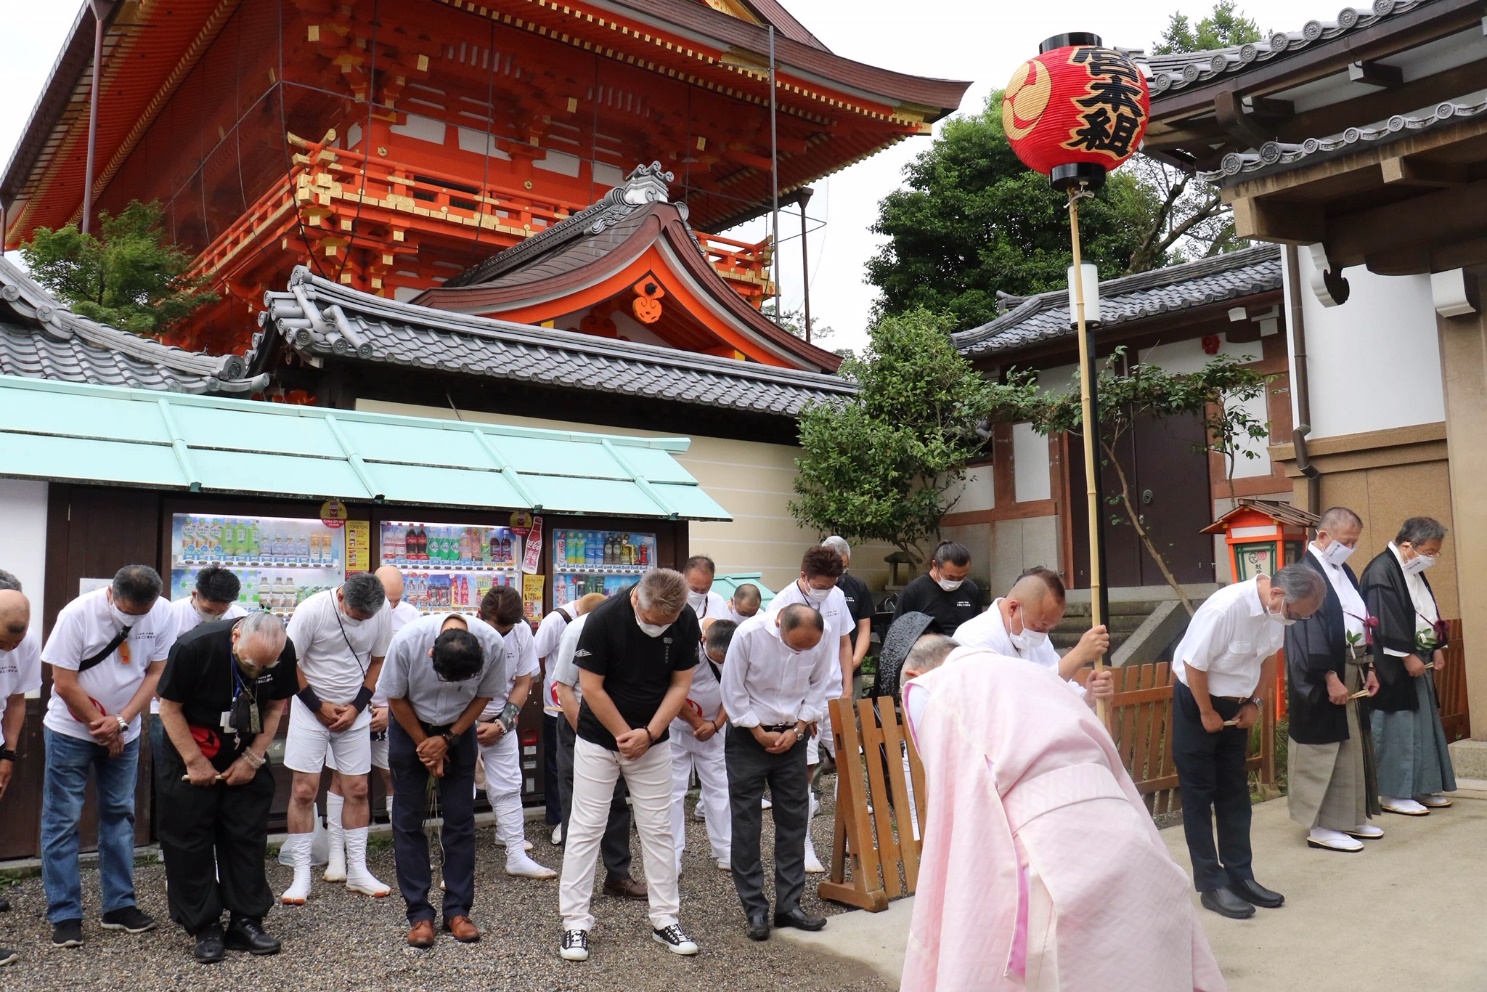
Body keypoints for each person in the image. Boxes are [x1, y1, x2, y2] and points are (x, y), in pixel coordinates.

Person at [901, 645, 1225, 992]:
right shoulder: (1035, 675)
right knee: (1145, 964)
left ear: (913, 675)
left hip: (1048, 848)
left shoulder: (932, 689)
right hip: (1125, 829)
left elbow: (960, 805)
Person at [557, 569, 701, 962]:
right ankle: (574, 923)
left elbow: (680, 684)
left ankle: (665, 918)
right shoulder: (603, 619)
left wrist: (650, 734)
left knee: (658, 828)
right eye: (654, 622)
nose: (659, 629)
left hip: (652, 740)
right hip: (599, 738)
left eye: (666, 624)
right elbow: (591, 688)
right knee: (586, 828)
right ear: (638, 599)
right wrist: (626, 735)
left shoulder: (684, 618)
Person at [1172, 564, 1325, 919]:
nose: (1296, 622)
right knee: (1199, 793)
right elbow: (1193, 664)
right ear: (1277, 595)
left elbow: (1270, 658)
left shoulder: (1278, 613)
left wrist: (1256, 702)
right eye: (1296, 615)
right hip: (1198, 700)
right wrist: (1207, 712)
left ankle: (1240, 875)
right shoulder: (1226, 608)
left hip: (1238, 704)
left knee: (1235, 794)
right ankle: (1211, 883)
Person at [41, 565, 178, 948]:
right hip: (71, 729)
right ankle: (65, 912)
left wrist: (122, 721)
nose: (136, 618)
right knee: (62, 818)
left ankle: (119, 905)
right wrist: (101, 725)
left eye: (143, 612)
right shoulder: (77, 614)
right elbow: (63, 682)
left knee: (120, 814)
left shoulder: (163, 613)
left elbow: (155, 673)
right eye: (128, 612)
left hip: (126, 728)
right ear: (111, 594)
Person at [155, 612, 295, 963]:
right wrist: (194, 760)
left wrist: (253, 757)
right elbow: (169, 708)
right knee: (189, 842)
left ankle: (246, 921)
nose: (257, 671)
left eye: (266, 666)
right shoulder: (193, 647)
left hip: (243, 750)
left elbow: (277, 703)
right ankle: (203, 925)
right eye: (250, 663)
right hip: (191, 748)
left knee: (246, 837)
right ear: (235, 636)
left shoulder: (282, 649)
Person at [378, 612, 506, 948]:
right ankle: (419, 913)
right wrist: (426, 744)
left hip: (459, 728)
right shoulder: (407, 641)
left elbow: (484, 696)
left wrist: (448, 739)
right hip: (411, 725)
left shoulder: (491, 642)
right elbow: (394, 696)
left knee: (460, 819)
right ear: (432, 654)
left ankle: (458, 910)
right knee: (407, 821)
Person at [721, 604, 834, 941]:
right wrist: (757, 731)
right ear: (779, 621)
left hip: (793, 737)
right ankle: (754, 907)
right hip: (748, 736)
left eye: (807, 647)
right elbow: (732, 689)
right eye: (796, 645)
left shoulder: (822, 636)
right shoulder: (748, 635)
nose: (802, 651)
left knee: (794, 820)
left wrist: (798, 729)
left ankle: (789, 905)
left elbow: (819, 685)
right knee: (746, 823)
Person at [281, 573, 392, 904]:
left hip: (353, 710)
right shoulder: (312, 611)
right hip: (310, 708)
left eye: (367, 618)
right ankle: (301, 875)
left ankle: (357, 870)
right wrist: (318, 706)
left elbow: (378, 658)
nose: (362, 623)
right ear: (342, 597)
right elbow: (290, 661)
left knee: (358, 788)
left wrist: (358, 706)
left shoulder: (381, 610)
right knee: (303, 790)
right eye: (357, 617)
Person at [1286, 507, 1383, 851]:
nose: (1350, 548)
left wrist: (1369, 667)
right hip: (1321, 671)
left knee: (1353, 745)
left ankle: (1349, 817)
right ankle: (1322, 825)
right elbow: (1304, 629)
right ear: (1323, 536)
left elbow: (1362, 619)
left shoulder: (1344, 570)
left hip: (1353, 665)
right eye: (1346, 541)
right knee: (1325, 748)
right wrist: (1328, 675)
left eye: (1355, 543)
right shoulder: (1301, 572)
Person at [765, 546, 854, 873]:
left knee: (849, 763)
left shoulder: (837, 596)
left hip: (833, 694)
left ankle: (854, 839)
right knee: (805, 770)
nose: (825, 591)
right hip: (800, 703)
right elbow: (776, 659)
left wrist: (847, 686)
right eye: (819, 585)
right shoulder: (781, 604)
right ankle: (802, 844)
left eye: (831, 584)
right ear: (804, 576)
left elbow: (844, 642)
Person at [552, 594, 646, 902]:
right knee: (576, 800)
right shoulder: (579, 628)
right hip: (578, 719)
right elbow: (563, 687)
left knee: (617, 800)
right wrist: (582, 730)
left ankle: (618, 875)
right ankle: (576, 883)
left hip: (616, 723)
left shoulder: (641, 629)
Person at [1361, 516, 1457, 816]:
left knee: (1422, 725)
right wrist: (1406, 655)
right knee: (1397, 727)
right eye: (1429, 551)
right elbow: (1383, 619)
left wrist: (1437, 646)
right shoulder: (1382, 570)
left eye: (1435, 552)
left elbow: (1427, 607)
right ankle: (1392, 792)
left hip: (1419, 655)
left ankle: (1420, 787)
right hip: (1392, 664)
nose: (1432, 558)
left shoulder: (1410, 567)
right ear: (1407, 546)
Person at [324, 565, 413, 883]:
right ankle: (338, 857)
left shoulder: (411, 617)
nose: (389, 607)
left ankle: (402, 850)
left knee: (394, 776)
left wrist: (390, 710)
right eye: (386, 599)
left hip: (392, 709)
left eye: (396, 600)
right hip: (351, 707)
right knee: (341, 781)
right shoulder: (347, 613)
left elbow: (412, 670)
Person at [476, 585, 555, 878]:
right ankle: (456, 863)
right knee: (460, 789)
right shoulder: (464, 631)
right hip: (461, 722)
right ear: (479, 615)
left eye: (506, 630)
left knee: (509, 785)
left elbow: (524, 683)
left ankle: (515, 854)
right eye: (496, 629)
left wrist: (503, 722)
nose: (501, 635)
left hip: (501, 719)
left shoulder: (521, 631)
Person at [953, 567, 1116, 709]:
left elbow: (1063, 689)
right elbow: (1015, 697)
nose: (1043, 634)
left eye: (1049, 629)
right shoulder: (973, 638)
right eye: (1041, 626)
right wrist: (1078, 655)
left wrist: (1088, 698)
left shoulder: (1036, 638)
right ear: (1013, 608)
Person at [159, 567, 246, 774]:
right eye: (208, 610)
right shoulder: (171, 615)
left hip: (217, 705)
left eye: (221, 612)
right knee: (174, 769)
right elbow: (158, 665)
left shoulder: (240, 618)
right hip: (172, 701)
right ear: (195, 594)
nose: (214, 616)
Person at [670, 618, 734, 876]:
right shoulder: (686, 649)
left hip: (714, 730)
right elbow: (672, 689)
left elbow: (737, 690)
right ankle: (671, 856)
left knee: (720, 788)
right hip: (676, 726)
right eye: (716, 658)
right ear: (704, 641)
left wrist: (717, 724)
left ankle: (726, 849)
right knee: (673, 793)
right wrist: (697, 722)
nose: (720, 662)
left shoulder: (740, 652)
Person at [0, 588, 41, 965]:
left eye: (18, 638)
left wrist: (8, 752)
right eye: (2, 640)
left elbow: (15, 700)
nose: (11, 648)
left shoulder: (25, 643)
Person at [534, 592, 591, 846]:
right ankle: (559, 819)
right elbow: (536, 654)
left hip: (589, 706)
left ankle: (583, 820)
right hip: (555, 705)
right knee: (559, 767)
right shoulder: (556, 620)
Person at [821, 537, 875, 697]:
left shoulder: (858, 587)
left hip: (849, 662)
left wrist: (855, 660)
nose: (840, 573)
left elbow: (864, 628)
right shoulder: (812, 588)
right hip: (820, 667)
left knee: (852, 712)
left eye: (844, 568)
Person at [891, 541, 980, 633]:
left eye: (961, 577)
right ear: (934, 565)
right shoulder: (914, 591)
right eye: (950, 577)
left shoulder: (971, 589)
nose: (955, 581)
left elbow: (978, 628)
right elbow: (898, 634)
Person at [683, 556, 730, 622]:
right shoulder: (672, 601)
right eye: (694, 589)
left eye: (704, 590)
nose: (698, 594)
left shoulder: (718, 601)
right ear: (684, 577)